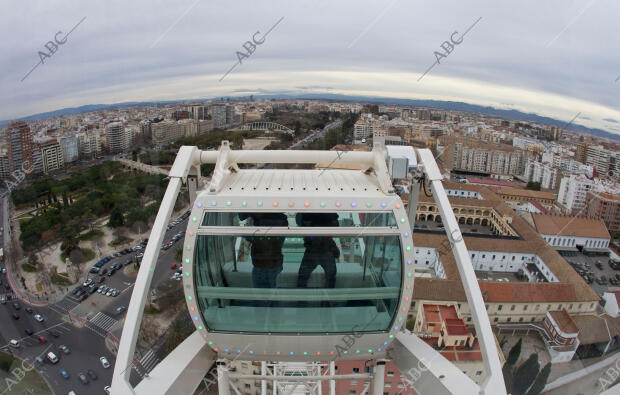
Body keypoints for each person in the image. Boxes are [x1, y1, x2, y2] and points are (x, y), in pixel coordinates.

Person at [238, 212, 288, 289]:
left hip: (261, 263)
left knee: (260, 294)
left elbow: (263, 240)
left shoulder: (264, 221)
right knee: (273, 293)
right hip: (274, 262)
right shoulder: (281, 219)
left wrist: (246, 234)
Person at [296, 213, 340, 288]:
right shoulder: (330, 216)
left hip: (312, 250)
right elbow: (335, 226)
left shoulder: (306, 216)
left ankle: (301, 297)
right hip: (326, 249)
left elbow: (299, 221)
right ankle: (327, 298)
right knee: (331, 277)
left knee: (302, 277)